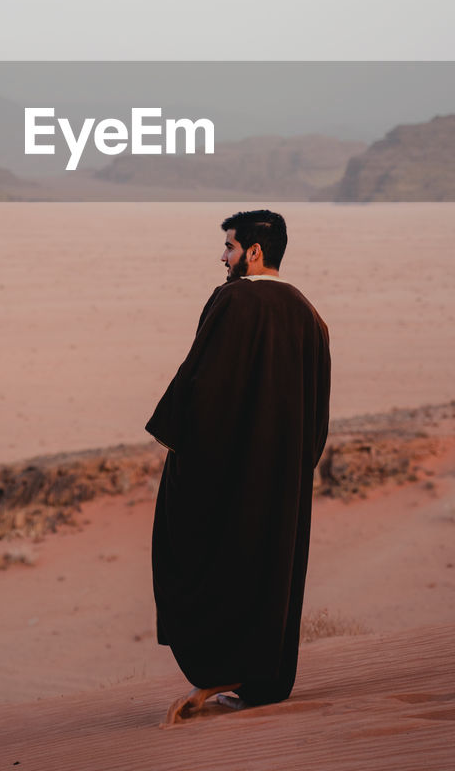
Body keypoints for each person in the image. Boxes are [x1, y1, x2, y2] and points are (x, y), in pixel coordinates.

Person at [145, 209, 331, 724]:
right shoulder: (309, 315)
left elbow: (202, 385)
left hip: (230, 476)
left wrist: (184, 454)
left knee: (207, 561)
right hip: (284, 480)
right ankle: (262, 682)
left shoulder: (233, 300)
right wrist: (293, 469)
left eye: (229, 247)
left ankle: (222, 668)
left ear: (253, 252)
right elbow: (318, 413)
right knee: (270, 572)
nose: (222, 257)